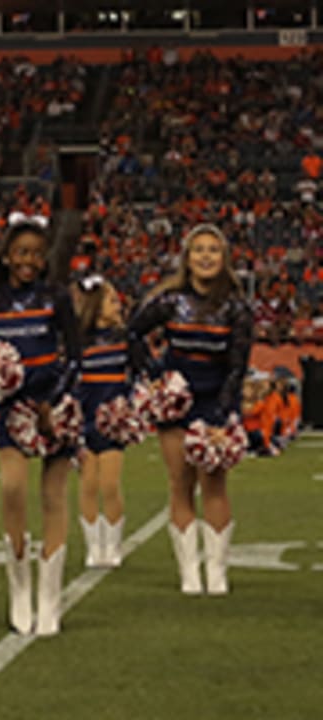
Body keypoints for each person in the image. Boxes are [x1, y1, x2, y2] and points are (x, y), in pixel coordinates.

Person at [0, 217, 80, 636]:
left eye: (36, 253)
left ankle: (50, 596)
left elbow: (75, 355)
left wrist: (54, 403)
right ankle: (19, 587)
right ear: (8, 256)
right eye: (21, 252)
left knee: (54, 496)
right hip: (12, 406)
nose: (29, 260)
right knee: (11, 488)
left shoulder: (56, 297)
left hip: (55, 404)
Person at [128, 225, 252, 597]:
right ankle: (189, 571)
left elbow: (237, 365)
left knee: (215, 483)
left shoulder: (237, 306)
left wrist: (223, 413)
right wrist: (153, 376)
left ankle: (216, 571)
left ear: (224, 257)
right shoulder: (169, 301)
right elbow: (132, 332)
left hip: (215, 397)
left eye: (213, 249)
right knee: (180, 482)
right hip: (176, 400)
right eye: (198, 249)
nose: (206, 256)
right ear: (187, 258)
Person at [71, 275, 129, 569]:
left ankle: (113, 544)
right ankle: (94, 546)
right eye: (111, 299)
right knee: (88, 486)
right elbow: (70, 382)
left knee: (109, 484)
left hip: (113, 422)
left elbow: (143, 373)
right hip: (85, 422)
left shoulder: (125, 339)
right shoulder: (80, 342)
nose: (117, 304)